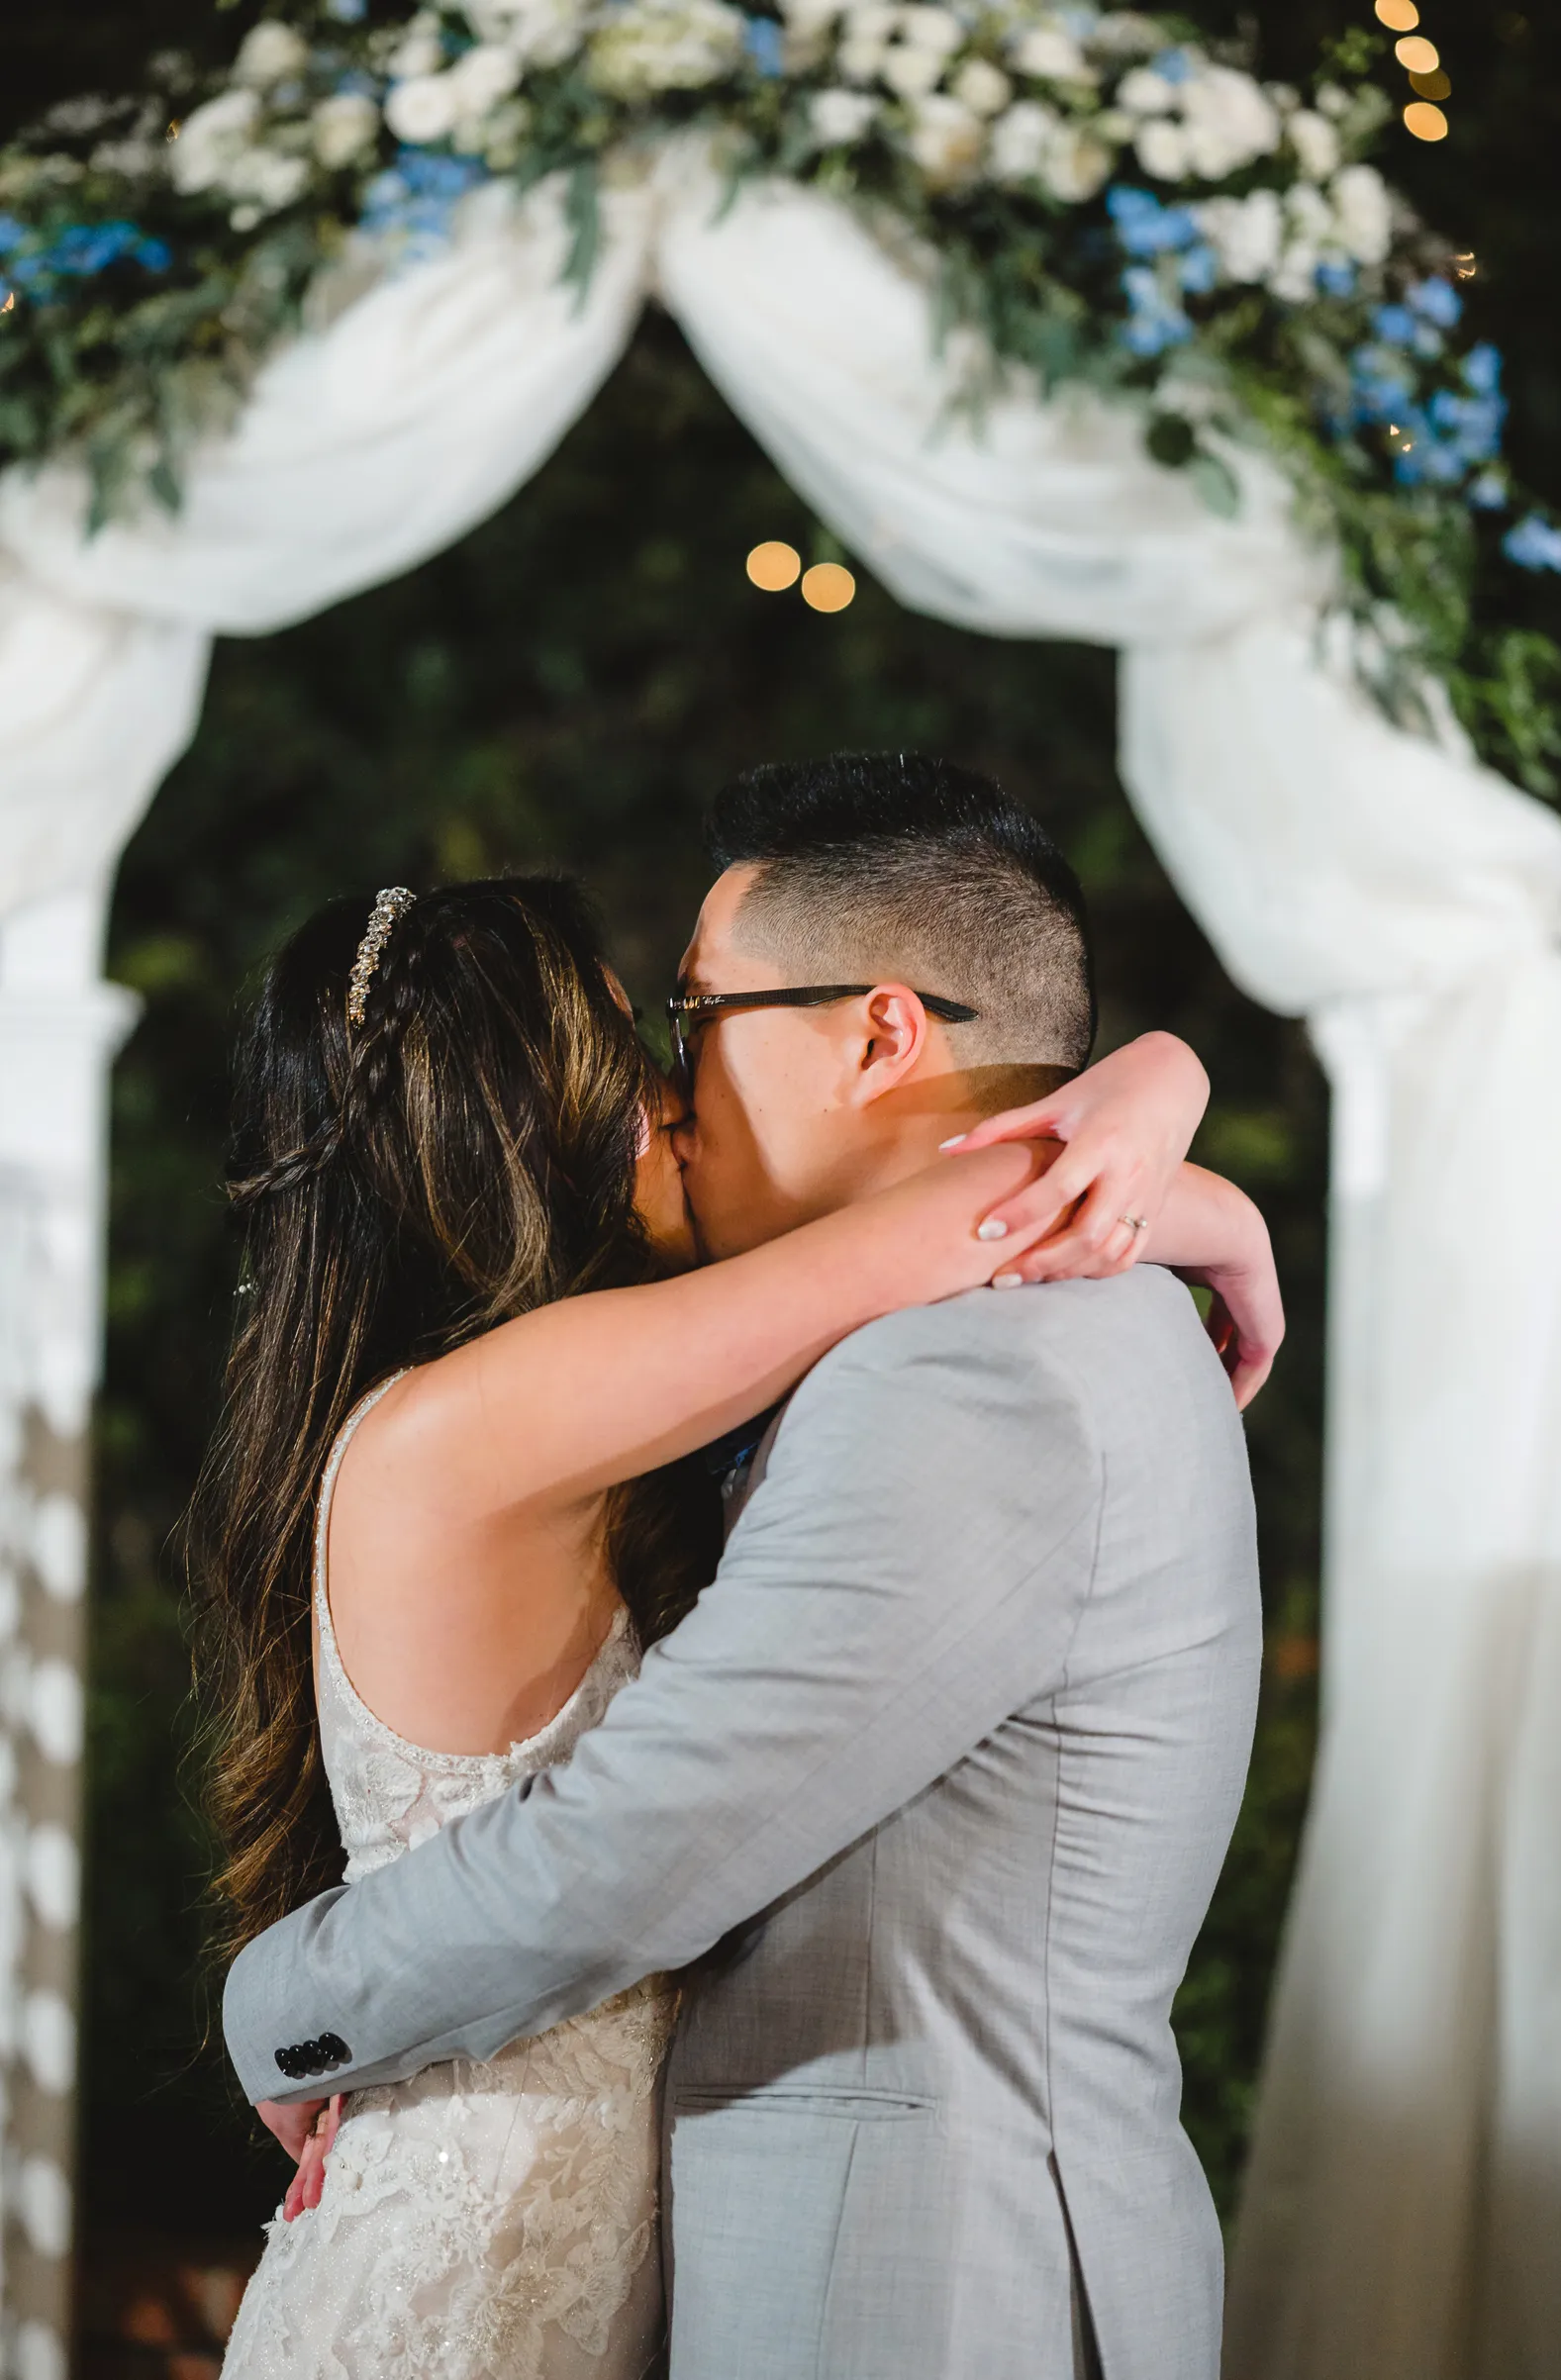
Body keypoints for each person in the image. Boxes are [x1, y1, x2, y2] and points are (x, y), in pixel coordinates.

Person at [215, 755, 1278, 2379]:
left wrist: (279, 2001)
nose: (673, 1083)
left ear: (879, 1030)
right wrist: (1169, 1125)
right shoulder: (959, 1331)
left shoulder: (975, 1373)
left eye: (697, 1021)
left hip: (923, 2277)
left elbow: (649, 1839)